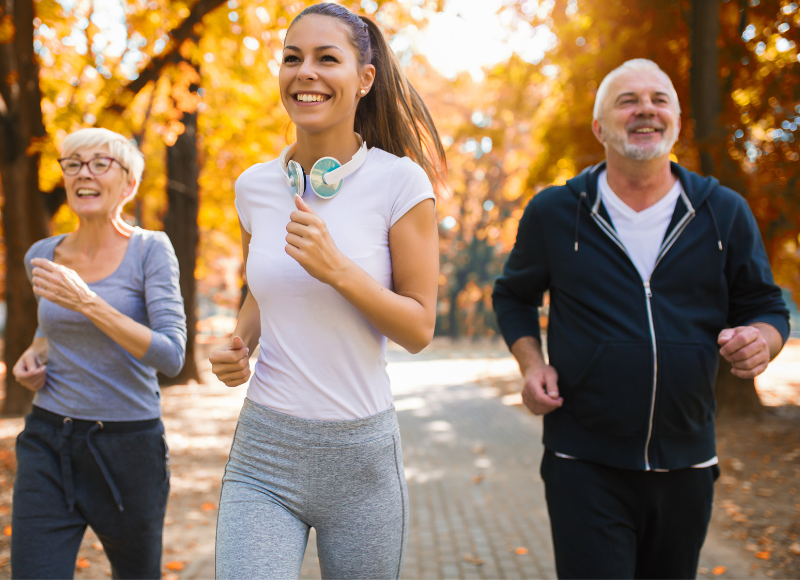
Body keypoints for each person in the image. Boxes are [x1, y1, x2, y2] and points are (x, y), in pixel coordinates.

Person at [492, 59, 790, 579]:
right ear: (599, 127)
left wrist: (763, 340)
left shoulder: (723, 211)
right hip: (581, 460)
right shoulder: (556, 212)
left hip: (688, 462)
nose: (645, 109)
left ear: (675, 119)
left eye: (659, 99)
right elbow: (512, 295)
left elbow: (766, 306)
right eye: (627, 100)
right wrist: (530, 363)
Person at [208, 4, 443, 579]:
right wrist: (238, 344)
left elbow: (418, 328)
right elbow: (266, 287)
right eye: (292, 58)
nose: (304, 72)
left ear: (364, 79)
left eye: (326, 58)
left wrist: (338, 269)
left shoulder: (399, 182)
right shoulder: (255, 188)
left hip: (360, 460)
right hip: (264, 450)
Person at [11, 128, 187, 579]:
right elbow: (51, 329)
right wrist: (36, 353)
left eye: (99, 163)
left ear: (129, 185)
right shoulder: (42, 255)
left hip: (128, 446)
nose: (83, 173)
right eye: (73, 163)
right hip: (49, 439)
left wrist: (88, 301)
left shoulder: (150, 250)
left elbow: (171, 356)